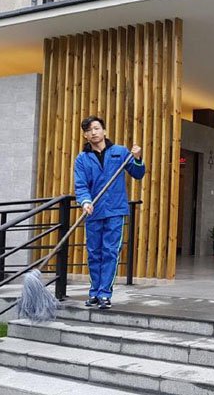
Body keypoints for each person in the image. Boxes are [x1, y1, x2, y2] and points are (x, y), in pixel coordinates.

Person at [74, 116, 145, 310]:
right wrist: (85, 201)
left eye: (97, 128)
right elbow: (81, 185)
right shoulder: (82, 159)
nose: (94, 132)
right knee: (94, 253)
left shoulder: (120, 152)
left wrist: (137, 158)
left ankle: (105, 293)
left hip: (115, 210)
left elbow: (138, 174)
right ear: (85, 135)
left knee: (110, 252)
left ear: (104, 131)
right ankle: (94, 292)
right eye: (89, 130)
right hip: (94, 211)